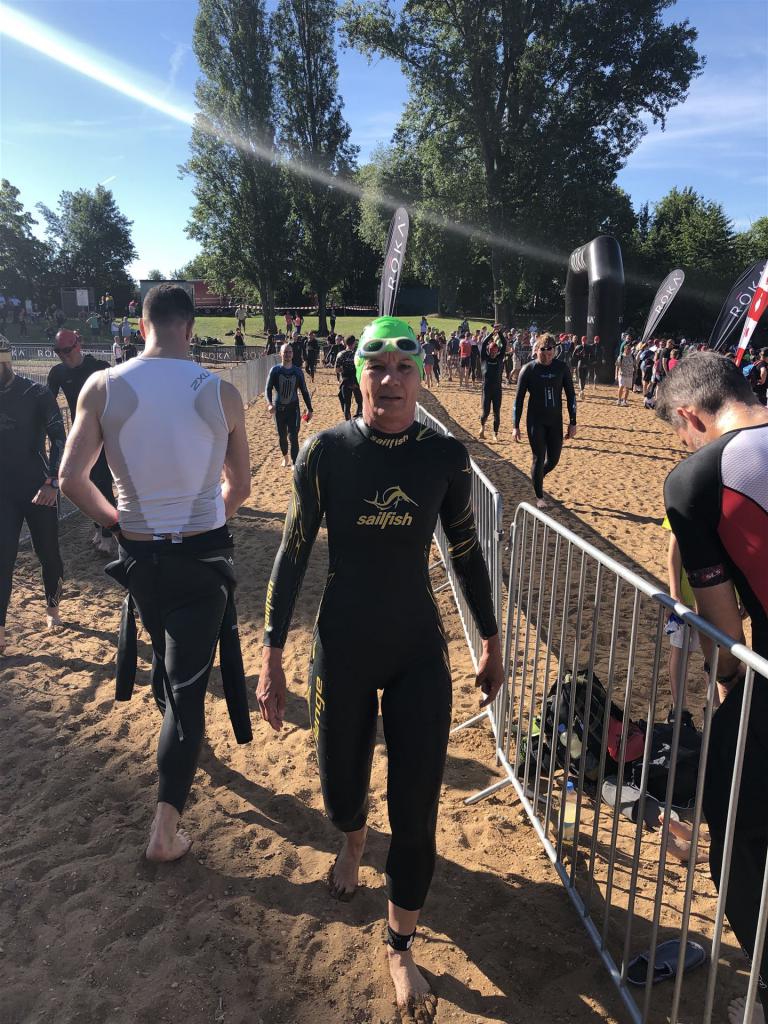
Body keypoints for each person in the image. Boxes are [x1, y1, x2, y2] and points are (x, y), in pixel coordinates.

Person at [257, 315, 503, 1020]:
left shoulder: (444, 457)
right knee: (341, 794)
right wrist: (270, 653)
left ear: (420, 378)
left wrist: (491, 639)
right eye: (378, 366)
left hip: (417, 651)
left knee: (417, 810)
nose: (390, 379)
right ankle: (353, 837)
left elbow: (465, 550)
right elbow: (292, 551)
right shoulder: (326, 452)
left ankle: (400, 944)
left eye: (404, 367)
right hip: (343, 647)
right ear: (357, 373)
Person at [58, 284, 252, 861]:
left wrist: (117, 522)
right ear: (190, 329)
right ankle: (164, 832)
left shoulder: (102, 386)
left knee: (171, 659)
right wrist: (208, 515)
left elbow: (71, 480)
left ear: (141, 326)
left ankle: (174, 732)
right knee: (188, 684)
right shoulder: (220, 392)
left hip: (141, 557)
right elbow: (240, 487)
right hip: (202, 555)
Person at [657, 352, 768, 1024]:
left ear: (691, 417)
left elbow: (724, 632)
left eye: (681, 435)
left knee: (735, 824)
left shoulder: (696, 478)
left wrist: (727, 683)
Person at [0, 343, 65, 654]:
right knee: (3, 559)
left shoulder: (36, 393)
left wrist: (52, 482)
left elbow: (59, 438)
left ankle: (52, 608)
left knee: (48, 552)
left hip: (39, 489)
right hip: (4, 492)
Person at [47, 329, 116, 554]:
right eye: (58, 351)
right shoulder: (57, 373)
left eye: (67, 350)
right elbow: (47, 403)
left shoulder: (99, 367)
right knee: (87, 483)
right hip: (80, 436)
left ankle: (109, 534)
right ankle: (99, 528)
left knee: (104, 483)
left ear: (78, 345)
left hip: (104, 434)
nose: (63, 356)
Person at [513, 333, 577, 509]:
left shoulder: (561, 368)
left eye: (550, 352)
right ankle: (539, 496)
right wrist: (515, 426)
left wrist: (573, 422)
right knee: (539, 457)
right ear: (537, 350)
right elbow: (518, 400)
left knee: (554, 459)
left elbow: (571, 396)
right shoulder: (528, 369)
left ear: (554, 351)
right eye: (543, 352)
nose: (547, 356)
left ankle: (536, 477)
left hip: (555, 420)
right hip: (536, 420)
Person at [266, 343, 313, 467]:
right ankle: (285, 457)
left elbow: (304, 391)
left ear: (293, 354)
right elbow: (268, 388)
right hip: (279, 409)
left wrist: (310, 409)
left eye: (289, 352)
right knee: (282, 436)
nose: (287, 354)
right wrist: (269, 404)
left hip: (293, 409)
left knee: (293, 436)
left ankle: (294, 462)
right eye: (285, 352)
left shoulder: (297, 372)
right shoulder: (275, 371)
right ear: (280, 354)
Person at [479, 328, 506, 441]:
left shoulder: (499, 358)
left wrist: (499, 332)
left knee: (496, 413)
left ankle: (495, 434)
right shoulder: (484, 358)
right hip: (486, 389)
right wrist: (492, 333)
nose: (493, 353)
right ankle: (482, 428)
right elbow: (484, 343)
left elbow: (504, 343)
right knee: (485, 412)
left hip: (497, 390)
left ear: (497, 351)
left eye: (495, 351)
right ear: (489, 351)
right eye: (492, 351)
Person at [335, 334, 362, 421]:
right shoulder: (358, 354)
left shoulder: (340, 354)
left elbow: (337, 369)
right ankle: (357, 418)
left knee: (347, 404)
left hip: (345, 381)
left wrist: (343, 370)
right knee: (360, 402)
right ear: (354, 343)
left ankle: (348, 421)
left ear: (345, 343)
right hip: (356, 380)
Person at [615, 342, 635, 407]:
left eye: (630, 349)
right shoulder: (621, 357)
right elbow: (617, 366)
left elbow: (635, 365)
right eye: (628, 349)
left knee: (627, 388)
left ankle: (625, 401)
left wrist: (635, 373)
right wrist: (616, 375)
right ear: (625, 349)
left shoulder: (632, 356)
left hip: (629, 375)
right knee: (621, 387)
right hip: (622, 374)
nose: (629, 350)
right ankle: (619, 400)